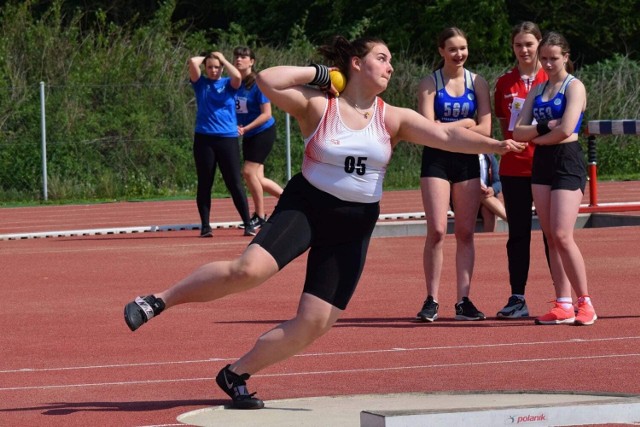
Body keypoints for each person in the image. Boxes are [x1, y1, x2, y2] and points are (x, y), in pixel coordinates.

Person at [123, 36, 525, 409]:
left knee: (314, 322)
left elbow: (447, 137)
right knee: (247, 271)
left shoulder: (392, 118)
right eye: (381, 58)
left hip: (354, 224)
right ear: (356, 63)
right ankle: (157, 300)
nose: (390, 67)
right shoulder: (320, 105)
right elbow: (266, 79)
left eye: (391, 61)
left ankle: (236, 374)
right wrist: (319, 74)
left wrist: (497, 145)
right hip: (308, 206)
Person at [513, 31, 596, 326]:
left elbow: (568, 129)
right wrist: (545, 126)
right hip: (543, 163)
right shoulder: (537, 90)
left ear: (566, 57)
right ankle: (562, 303)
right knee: (550, 237)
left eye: (554, 58)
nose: (548, 63)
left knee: (562, 234)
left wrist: (537, 136)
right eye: (543, 58)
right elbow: (517, 132)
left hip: (567, 161)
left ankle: (584, 301)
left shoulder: (575, 87)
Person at [415, 27, 492, 323]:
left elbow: (485, 130)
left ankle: (463, 300)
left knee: (466, 232)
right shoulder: (429, 83)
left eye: (463, 48)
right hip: (436, 160)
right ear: (441, 52)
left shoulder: (478, 83)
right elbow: (427, 130)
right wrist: (467, 121)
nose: (459, 54)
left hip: (467, 160)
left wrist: (448, 127)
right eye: (453, 49)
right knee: (436, 230)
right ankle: (431, 299)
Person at [493, 21, 549, 319]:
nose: (524, 49)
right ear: (512, 47)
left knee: (553, 234)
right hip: (514, 168)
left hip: (547, 167)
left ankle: (562, 297)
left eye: (529, 43)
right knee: (518, 234)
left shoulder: (552, 78)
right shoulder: (504, 82)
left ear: (539, 43)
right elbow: (506, 128)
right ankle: (518, 297)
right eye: (518, 45)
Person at [188, 51, 255, 238]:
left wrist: (223, 59)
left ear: (222, 68)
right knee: (205, 183)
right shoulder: (201, 84)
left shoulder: (228, 84)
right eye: (210, 67)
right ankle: (205, 226)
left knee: (234, 182)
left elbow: (237, 76)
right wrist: (206, 55)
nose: (213, 70)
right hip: (204, 139)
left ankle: (248, 224)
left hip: (227, 139)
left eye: (216, 67)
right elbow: (193, 62)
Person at [233, 46, 284, 229]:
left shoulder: (257, 84)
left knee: (247, 172)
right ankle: (291, 200)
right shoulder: (233, 83)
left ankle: (260, 216)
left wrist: (245, 128)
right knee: (257, 179)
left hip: (262, 132)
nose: (239, 59)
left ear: (252, 61)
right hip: (248, 133)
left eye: (244, 56)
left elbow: (267, 114)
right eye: (237, 56)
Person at [478, 153, 507, 232]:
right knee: (477, 191)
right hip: (469, 200)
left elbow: (498, 182)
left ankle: (487, 241)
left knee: (488, 212)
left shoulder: (490, 157)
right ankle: (509, 219)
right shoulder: (465, 157)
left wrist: (493, 189)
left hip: (487, 200)